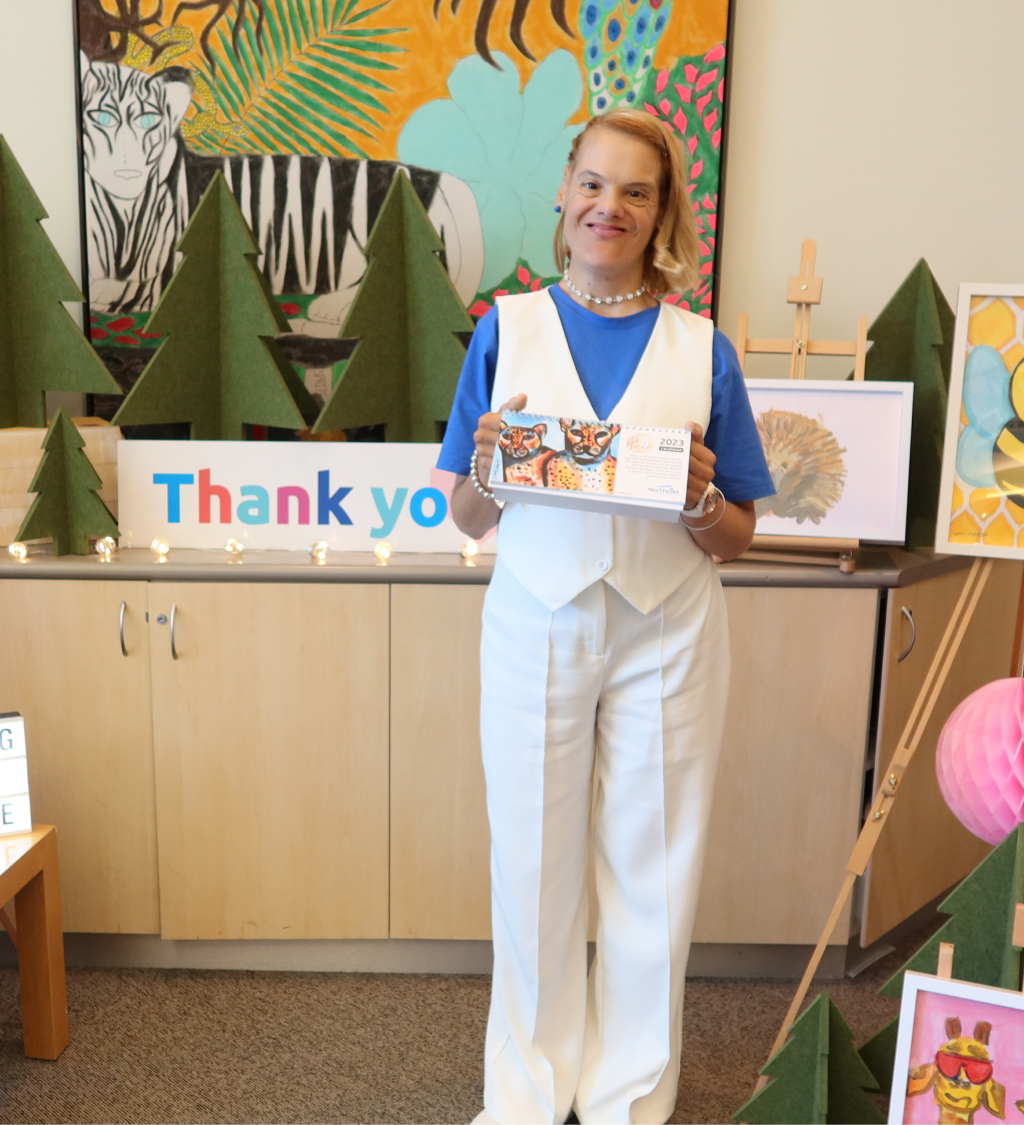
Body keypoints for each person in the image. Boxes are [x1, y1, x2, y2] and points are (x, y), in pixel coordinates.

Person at [437, 108, 774, 1125]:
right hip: (535, 618)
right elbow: (464, 512)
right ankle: (528, 1095)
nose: (607, 206)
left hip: (666, 626)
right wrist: (491, 468)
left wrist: (704, 501)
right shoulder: (505, 331)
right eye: (592, 183)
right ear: (563, 193)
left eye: (633, 190)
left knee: (651, 871)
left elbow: (738, 532)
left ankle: (629, 1095)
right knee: (531, 867)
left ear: (660, 209)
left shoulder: (701, 348)